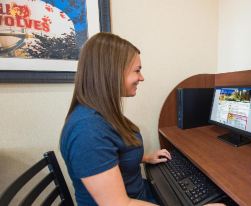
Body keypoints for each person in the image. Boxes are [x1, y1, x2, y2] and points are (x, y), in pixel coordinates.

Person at [60, 32, 171, 205]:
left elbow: (111, 156)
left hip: (138, 194)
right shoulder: (88, 130)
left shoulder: (101, 114)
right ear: (112, 72)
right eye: (137, 70)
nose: (141, 78)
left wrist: (145, 158)